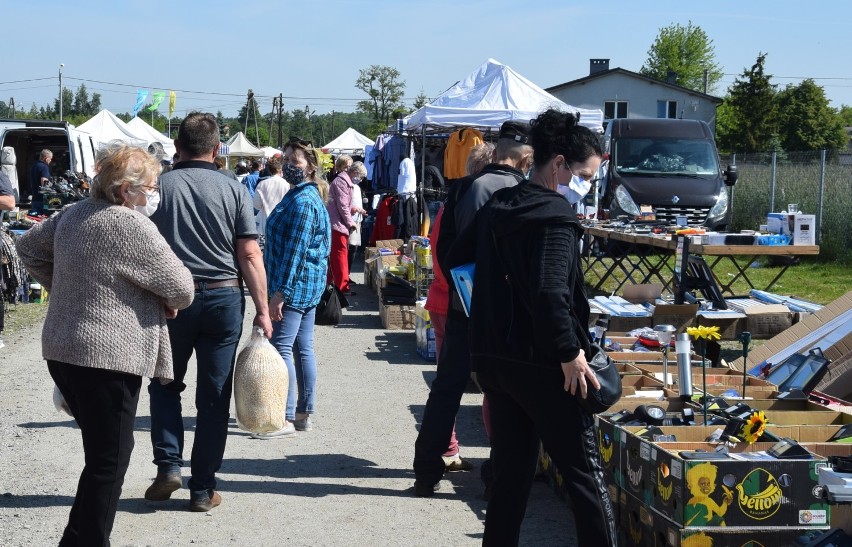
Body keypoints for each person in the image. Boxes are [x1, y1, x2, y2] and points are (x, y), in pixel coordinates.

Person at [445, 109, 616, 546]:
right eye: (586, 175)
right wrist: (568, 353)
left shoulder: (499, 204)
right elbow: (548, 291)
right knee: (584, 476)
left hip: (497, 361)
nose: (588, 186)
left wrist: (487, 314)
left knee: (510, 476)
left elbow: (454, 259)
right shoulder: (554, 214)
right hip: (544, 364)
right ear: (557, 165)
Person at [15, 142, 195, 545]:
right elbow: (182, 289)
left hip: (64, 350)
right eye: (149, 186)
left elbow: (28, 247)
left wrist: (67, 288)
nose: (154, 193)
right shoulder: (131, 225)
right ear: (125, 190)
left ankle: (77, 538)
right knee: (108, 462)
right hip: (106, 357)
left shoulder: (73, 213)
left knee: (101, 457)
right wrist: (148, 298)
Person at [144, 111, 272, 512]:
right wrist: (264, 310)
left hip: (171, 302)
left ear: (177, 147)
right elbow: (249, 253)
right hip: (223, 299)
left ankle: (168, 464)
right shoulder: (235, 188)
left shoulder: (159, 187)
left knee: (165, 384)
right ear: (218, 149)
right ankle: (202, 489)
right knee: (214, 398)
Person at [413, 121, 535, 497]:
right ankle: (496, 476)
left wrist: (462, 288)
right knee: (502, 394)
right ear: (526, 157)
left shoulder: (463, 190)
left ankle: (426, 471)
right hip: (504, 313)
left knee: (447, 389)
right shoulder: (524, 191)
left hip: (462, 304)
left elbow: (445, 252)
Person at [256, 138, 330, 438]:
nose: (287, 165)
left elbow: (295, 253)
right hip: (304, 285)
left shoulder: (302, 201)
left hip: (295, 287)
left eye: (294, 161)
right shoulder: (301, 195)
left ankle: (285, 417)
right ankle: (302, 411)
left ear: (310, 166)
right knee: (302, 348)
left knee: (284, 348)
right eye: (285, 158)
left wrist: (279, 294)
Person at [326, 154, 356, 295]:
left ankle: (333, 284)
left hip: (337, 223)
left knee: (337, 257)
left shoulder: (341, 181)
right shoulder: (341, 182)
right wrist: (350, 222)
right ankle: (341, 287)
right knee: (339, 257)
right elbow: (343, 206)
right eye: (349, 165)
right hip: (337, 224)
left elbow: (344, 205)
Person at [252, 156, 290, 243]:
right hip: (283, 222)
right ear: (281, 170)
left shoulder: (262, 184)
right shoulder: (287, 185)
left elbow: (256, 205)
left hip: (264, 222)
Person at [347, 161, 368, 275]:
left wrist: (361, 210)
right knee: (349, 249)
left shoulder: (357, 187)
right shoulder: (347, 185)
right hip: (350, 222)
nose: (361, 180)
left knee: (353, 249)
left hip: (357, 220)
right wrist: (355, 209)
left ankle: (347, 274)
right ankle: (346, 275)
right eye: (361, 177)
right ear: (355, 173)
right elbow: (344, 204)